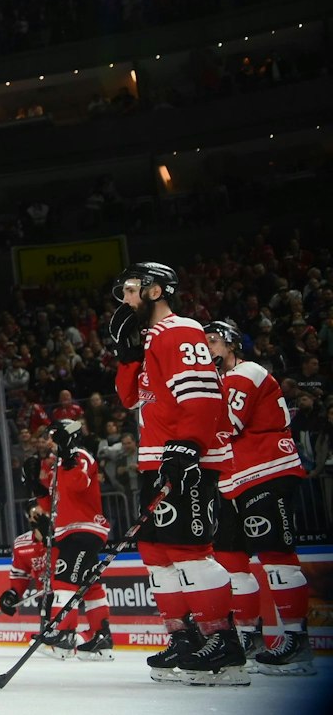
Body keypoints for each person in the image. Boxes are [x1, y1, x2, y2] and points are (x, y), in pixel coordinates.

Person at [110, 262, 246, 685]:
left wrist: (189, 445)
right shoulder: (150, 340)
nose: (125, 300)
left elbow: (203, 395)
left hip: (185, 458)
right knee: (156, 553)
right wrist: (127, 356)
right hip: (157, 459)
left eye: (131, 290)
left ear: (155, 292)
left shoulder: (181, 330)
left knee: (190, 551)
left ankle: (223, 643)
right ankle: (185, 639)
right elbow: (130, 398)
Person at [206, 320, 313, 675]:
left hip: (267, 469)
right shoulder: (221, 381)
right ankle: (248, 637)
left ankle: (297, 641)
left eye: (214, 341)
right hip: (234, 480)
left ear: (233, 344)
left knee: (276, 556)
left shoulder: (246, 371)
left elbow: (228, 425)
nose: (207, 347)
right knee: (230, 559)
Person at [36, 418, 115, 659]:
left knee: (64, 581)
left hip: (84, 529)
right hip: (69, 531)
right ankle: (100, 638)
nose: (50, 440)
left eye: (54, 434)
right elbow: (52, 504)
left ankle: (64, 635)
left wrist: (68, 459)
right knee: (89, 586)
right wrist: (36, 485)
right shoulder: (57, 465)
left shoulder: (80, 456)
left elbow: (79, 485)